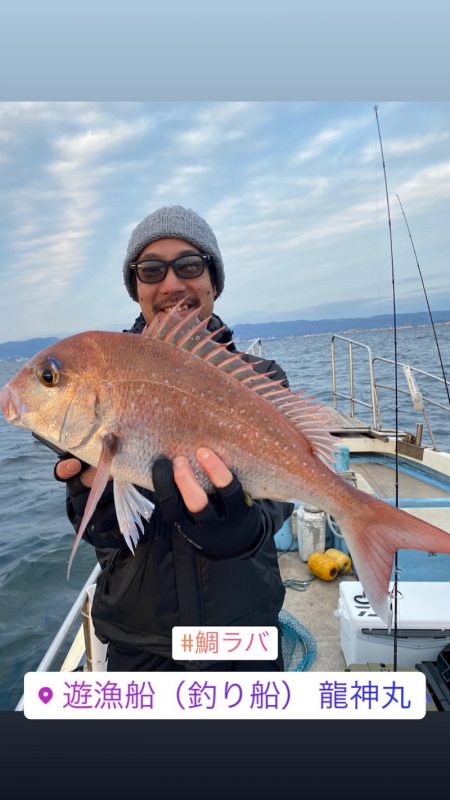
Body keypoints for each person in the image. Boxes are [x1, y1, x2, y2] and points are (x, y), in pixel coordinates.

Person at [56, 205, 294, 671]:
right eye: (151, 270)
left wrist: (242, 529)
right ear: (137, 288)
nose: (171, 285)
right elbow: (104, 534)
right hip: (138, 641)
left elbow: (281, 493)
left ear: (213, 280)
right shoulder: (102, 384)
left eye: (189, 265)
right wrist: (94, 498)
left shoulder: (260, 379)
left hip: (240, 637)